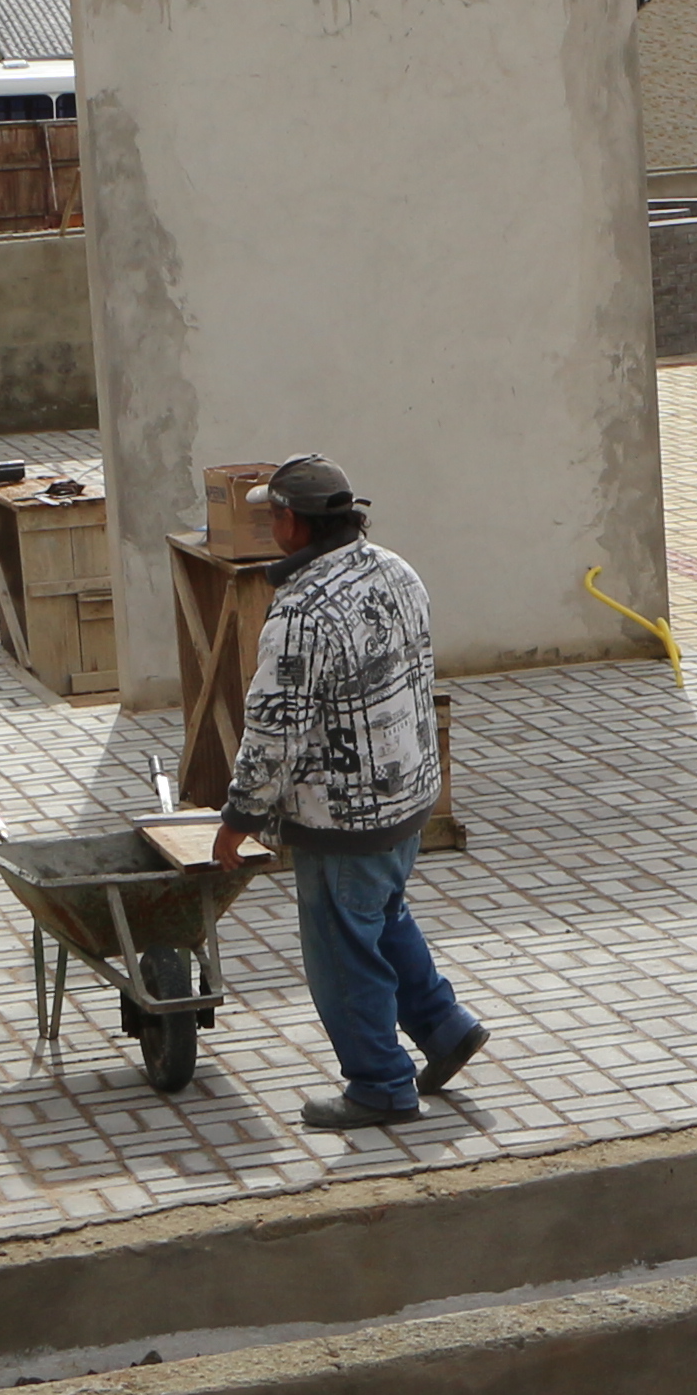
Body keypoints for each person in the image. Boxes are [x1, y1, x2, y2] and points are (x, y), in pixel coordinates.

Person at [205, 455, 485, 1131]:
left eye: (272, 513)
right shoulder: (396, 568)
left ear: (293, 524)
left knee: (341, 948)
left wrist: (236, 820)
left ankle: (381, 1085)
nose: (270, 524)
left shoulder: (301, 611)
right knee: (382, 914)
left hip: (343, 816)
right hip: (411, 795)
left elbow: (273, 730)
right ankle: (444, 1028)